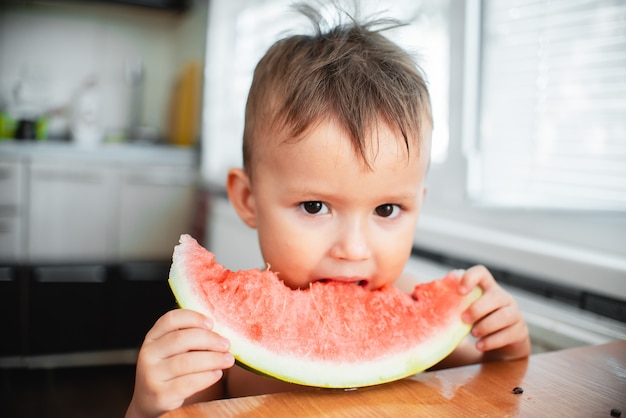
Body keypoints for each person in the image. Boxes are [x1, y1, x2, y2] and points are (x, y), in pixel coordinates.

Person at [125, 4, 531, 418]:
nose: (352, 249)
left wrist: (502, 347)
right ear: (248, 200)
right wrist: (147, 405)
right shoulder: (216, 341)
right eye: (315, 207)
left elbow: (491, 393)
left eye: (387, 209)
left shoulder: (415, 304)